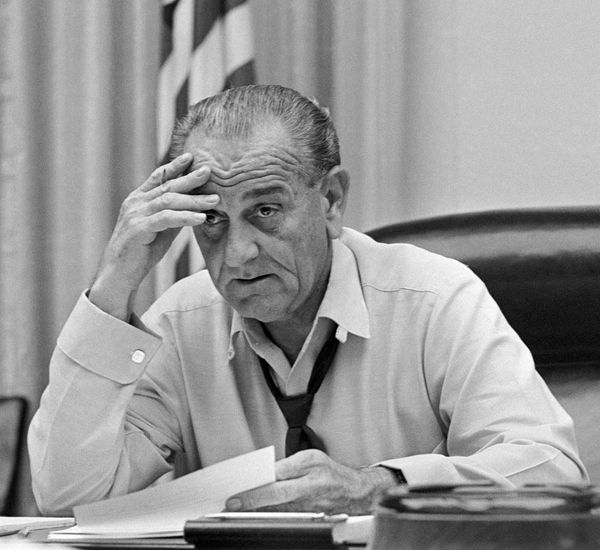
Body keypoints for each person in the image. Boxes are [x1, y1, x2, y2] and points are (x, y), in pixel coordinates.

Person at [28, 85, 587, 516]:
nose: (239, 255)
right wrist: (112, 286)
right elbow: (70, 496)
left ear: (332, 201)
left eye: (265, 211)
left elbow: (553, 473)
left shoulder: (434, 299)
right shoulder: (183, 322)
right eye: (213, 221)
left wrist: (381, 487)